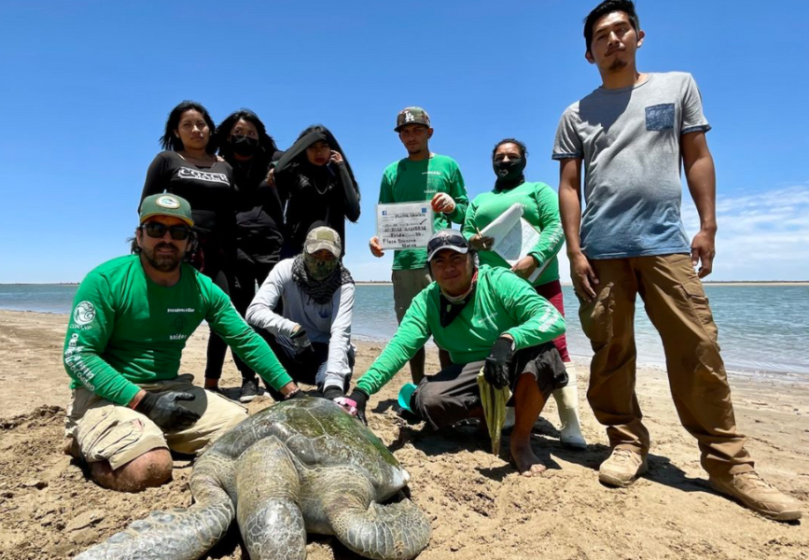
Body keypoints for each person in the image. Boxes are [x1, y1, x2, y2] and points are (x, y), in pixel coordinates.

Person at [553, 0, 801, 520]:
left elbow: (697, 155)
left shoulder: (676, 86)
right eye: (602, 35)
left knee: (697, 346)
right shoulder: (576, 114)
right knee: (611, 352)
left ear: (639, 37)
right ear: (589, 51)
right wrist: (575, 250)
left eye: (622, 30)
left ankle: (728, 463)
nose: (613, 39)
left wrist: (708, 225)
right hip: (602, 251)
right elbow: (570, 187)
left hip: (665, 243)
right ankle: (626, 443)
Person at [63, 193, 302, 493]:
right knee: (152, 468)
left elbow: (244, 339)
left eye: (177, 232)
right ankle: (87, 439)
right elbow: (78, 356)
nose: (166, 238)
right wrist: (144, 402)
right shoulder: (105, 280)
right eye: (155, 229)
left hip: (171, 390)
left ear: (190, 242)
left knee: (249, 434)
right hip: (105, 395)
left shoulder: (202, 288)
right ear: (139, 236)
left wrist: (291, 392)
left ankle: (151, 436)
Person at [342, 230, 568, 476]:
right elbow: (400, 346)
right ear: (430, 268)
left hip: (511, 361)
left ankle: (520, 440)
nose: (448, 267)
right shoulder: (426, 301)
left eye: (456, 259)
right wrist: (361, 392)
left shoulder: (499, 281)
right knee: (426, 401)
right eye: (439, 261)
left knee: (545, 354)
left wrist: (509, 338)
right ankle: (487, 415)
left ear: (472, 259)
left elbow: (552, 319)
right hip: (467, 373)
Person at [462, 138, 586, 449]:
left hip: (539, 280)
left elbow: (555, 227)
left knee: (555, 345)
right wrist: (475, 240)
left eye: (512, 156)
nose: (505, 161)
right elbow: (464, 233)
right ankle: (510, 409)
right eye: (500, 157)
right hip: (495, 286)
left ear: (524, 161)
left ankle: (570, 421)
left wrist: (536, 258)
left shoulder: (539, 191)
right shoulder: (479, 200)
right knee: (504, 343)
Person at [139, 101, 239, 396]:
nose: (196, 130)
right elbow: (146, 207)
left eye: (201, 124)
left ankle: (212, 382)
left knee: (223, 315)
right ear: (176, 131)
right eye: (187, 125)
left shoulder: (224, 166)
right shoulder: (167, 160)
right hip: (179, 249)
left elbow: (230, 214)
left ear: (210, 129)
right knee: (166, 312)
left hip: (219, 251)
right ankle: (158, 376)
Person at [368, 107, 469, 385]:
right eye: (405, 132)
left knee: (448, 330)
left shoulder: (448, 165)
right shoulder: (392, 172)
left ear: (429, 133)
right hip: (404, 264)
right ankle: (416, 387)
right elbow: (385, 219)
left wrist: (452, 206)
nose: (411, 137)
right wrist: (377, 241)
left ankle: (451, 386)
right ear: (399, 137)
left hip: (442, 261)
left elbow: (465, 212)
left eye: (417, 130)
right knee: (410, 332)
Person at [209, 109, 285, 401]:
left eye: (252, 133)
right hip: (234, 247)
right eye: (239, 134)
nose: (246, 138)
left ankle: (275, 375)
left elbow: (307, 147)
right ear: (228, 136)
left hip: (271, 247)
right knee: (241, 315)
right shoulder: (219, 164)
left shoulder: (275, 160)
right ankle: (248, 378)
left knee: (272, 314)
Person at [246, 226, 355, 401]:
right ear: (305, 251)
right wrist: (291, 328)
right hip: (295, 345)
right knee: (254, 328)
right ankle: (284, 394)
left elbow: (340, 333)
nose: (321, 262)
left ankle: (328, 387)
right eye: (316, 254)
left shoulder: (344, 284)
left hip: (327, 353)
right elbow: (254, 311)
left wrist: (333, 385)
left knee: (335, 380)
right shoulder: (285, 269)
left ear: (338, 258)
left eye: (329, 257)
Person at [272, 125, 360, 258]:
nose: (318, 152)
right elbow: (278, 170)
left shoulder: (337, 178)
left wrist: (342, 168)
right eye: (311, 147)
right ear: (303, 149)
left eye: (323, 146)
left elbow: (354, 213)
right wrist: (313, 136)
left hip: (329, 256)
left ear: (331, 148)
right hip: (296, 253)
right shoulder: (295, 173)